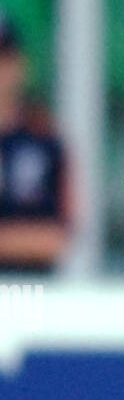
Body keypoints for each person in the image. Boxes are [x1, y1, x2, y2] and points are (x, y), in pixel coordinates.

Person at [0, 14, 71, 273]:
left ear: (20, 64)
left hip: (33, 297)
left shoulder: (43, 140)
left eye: (2, 59)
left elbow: (57, 238)